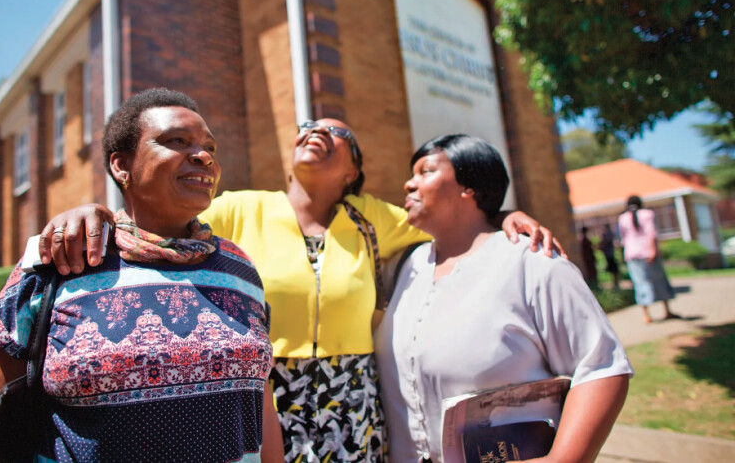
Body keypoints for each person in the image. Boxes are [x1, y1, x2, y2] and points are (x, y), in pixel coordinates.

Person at [36, 120, 564, 462]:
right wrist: (94, 211)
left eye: (335, 133)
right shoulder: (240, 208)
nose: (316, 131)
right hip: (264, 391)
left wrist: (505, 214)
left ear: (353, 169)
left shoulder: (374, 219)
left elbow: (452, 214)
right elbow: (151, 214)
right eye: (307, 126)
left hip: (352, 394)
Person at [0, 89, 283, 463]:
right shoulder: (61, 262)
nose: (203, 157)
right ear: (122, 166)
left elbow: (259, 402)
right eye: (177, 141)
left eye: (210, 148)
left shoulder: (240, 267)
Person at [374, 134, 632, 463]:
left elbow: (601, 367)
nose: (409, 184)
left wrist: (562, 460)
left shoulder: (532, 260)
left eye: (425, 172)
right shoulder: (404, 266)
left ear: (468, 186)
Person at [618, 195, 679, 324]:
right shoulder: (647, 214)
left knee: (639, 283)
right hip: (648, 252)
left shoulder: (622, 218)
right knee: (659, 281)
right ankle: (666, 310)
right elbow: (651, 234)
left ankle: (646, 315)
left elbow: (623, 240)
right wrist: (653, 251)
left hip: (632, 254)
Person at [599, 223, 621, 288]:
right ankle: (615, 281)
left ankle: (616, 281)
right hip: (609, 254)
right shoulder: (608, 234)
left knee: (613, 269)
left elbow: (606, 243)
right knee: (612, 269)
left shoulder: (608, 235)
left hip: (610, 254)